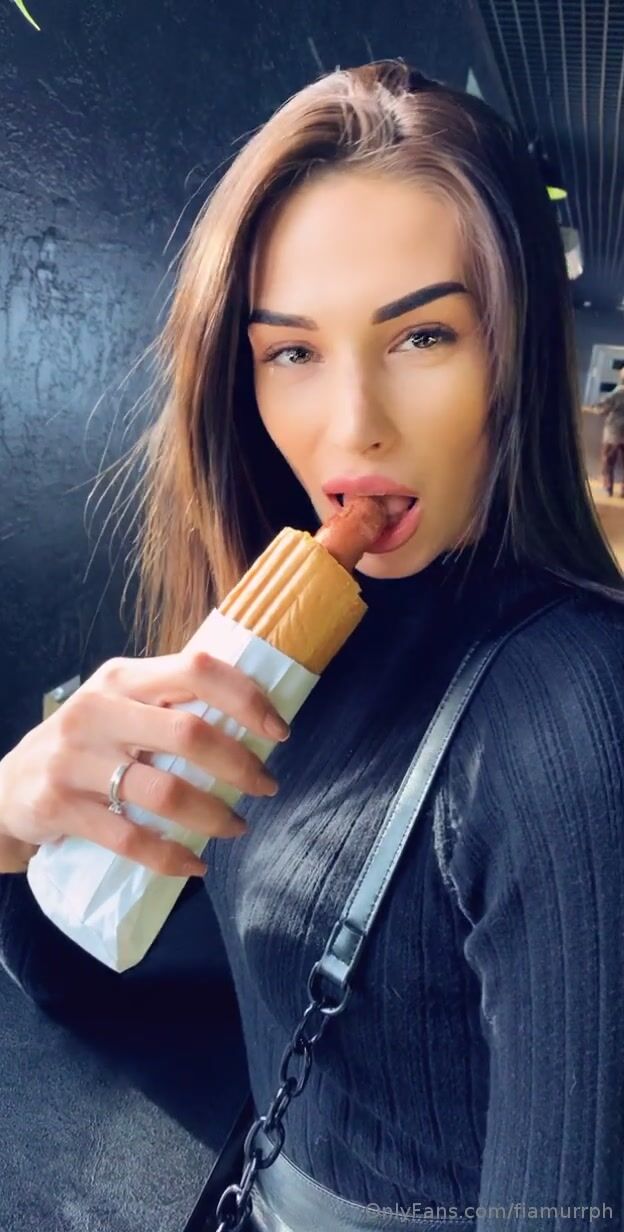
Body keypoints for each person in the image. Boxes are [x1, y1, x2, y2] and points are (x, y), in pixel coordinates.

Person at [1, 58, 624, 1232]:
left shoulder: (573, 718)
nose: (353, 427)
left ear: (517, 352)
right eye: (292, 351)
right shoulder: (279, 643)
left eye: (424, 335)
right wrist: (21, 815)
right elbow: (88, 982)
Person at [582, 366, 624, 497]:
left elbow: (602, 408)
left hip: (613, 432)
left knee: (608, 461)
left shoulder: (617, 393)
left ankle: (608, 488)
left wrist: (591, 408)